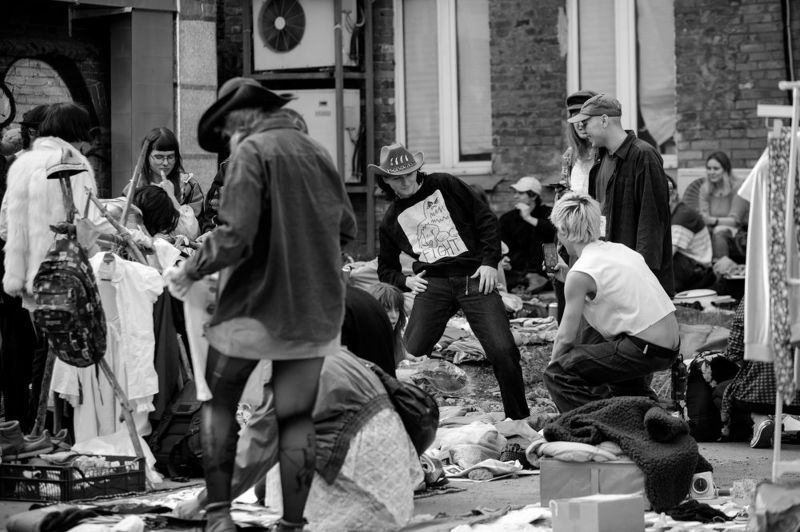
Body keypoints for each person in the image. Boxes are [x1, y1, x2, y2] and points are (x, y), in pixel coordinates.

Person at [165, 77, 357, 532]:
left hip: (254, 306)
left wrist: (190, 270)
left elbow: (235, 236)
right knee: (295, 418)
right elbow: (346, 227)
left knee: (218, 404)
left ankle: (218, 515)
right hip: (313, 309)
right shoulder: (317, 152)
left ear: (240, 121)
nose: (228, 141)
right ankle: (292, 524)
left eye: (227, 132)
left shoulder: (252, 151)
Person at [374, 142, 529, 420]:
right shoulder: (391, 220)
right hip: (433, 283)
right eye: (397, 178)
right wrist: (406, 282)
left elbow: (486, 220)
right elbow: (385, 268)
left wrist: (489, 262)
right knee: (411, 352)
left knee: (503, 350)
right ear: (386, 180)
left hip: (474, 276)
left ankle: (518, 419)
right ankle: (404, 416)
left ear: (417, 170)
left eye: (409, 174)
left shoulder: (444, 184)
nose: (406, 182)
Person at [2, 102, 98, 431]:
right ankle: (53, 428)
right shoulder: (74, 163)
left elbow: (4, 226)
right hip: (59, 271)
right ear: (77, 133)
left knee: (33, 352)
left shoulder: (22, 163)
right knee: (56, 353)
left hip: (23, 273)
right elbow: (86, 222)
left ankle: (28, 425)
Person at [543, 192, 680, 413]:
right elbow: (606, 290)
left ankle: (593, 422)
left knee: (559, 373)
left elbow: (565, 338)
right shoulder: (620, 250)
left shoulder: (581, 272)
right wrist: (568, 276)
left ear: (565, 231)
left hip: (642, 347)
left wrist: (552, 369)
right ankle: (647, 414)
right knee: (619, 381)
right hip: (666, 345)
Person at [568, 93, 674, 296]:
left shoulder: (643, 155)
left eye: (586, 122)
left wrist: (643, 275)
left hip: (636, 276)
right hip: (610, 267)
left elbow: (652, 220)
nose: (581, 128)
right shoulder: (600, 157)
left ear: (604, 120)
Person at [125, 127, 205, 217]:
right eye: (159, 157)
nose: (165, 163)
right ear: (147, 157)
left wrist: (172, 197)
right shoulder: (134, 188)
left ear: (176, 157)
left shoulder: (189, 186)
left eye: (170, 157)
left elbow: (194, 224)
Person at [498, 176, 556, 291]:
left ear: (533, 196)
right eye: (515, 193)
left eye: (520, 193)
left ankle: (541, 280)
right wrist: (504, 259)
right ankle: (529, 281)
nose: (515, 196)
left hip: (545, 269)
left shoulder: (549, 214)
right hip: (517, 270)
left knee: (550, 246)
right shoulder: (507, 219)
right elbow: (502, 244)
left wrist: (528, 218)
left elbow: (555, 234)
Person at [667, 175, 715, 293]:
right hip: (689, 265)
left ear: (674, 195)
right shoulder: (675, 211)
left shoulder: (683, 216)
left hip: (697, 270)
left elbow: (668, 254)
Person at [697, 152, 747, 263]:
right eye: (709, 168)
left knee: (719, 232)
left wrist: (713, 221)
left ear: (726, 170)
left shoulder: (738, 186)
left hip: (738, 232)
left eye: (716, 169)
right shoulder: (705, 189)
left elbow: (735, 221)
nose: (711, 172)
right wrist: (708, 221)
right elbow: (704, 217)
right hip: (712, 229)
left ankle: (722, 269)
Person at [366, 281, 408, 367]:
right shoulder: (362, 341)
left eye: (397, 310)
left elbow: (400, 356)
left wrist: (414, 359)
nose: (394, 316)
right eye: (387, 310)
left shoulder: (395, 335)